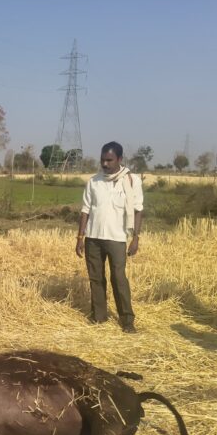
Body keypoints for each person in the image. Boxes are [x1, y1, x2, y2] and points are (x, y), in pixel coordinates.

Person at [76, 141, 144, 333]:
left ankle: (127, 321)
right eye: (102, 160)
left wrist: (136, 238)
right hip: (94, 237)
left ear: (119, 160)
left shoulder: (132, 181)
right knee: (95, 278)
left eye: (109, 160)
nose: (105, 164)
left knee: (119, 278)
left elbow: (138, 210)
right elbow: (85, 210)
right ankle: (99, 317)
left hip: (117, 238)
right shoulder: (94, 181)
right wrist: (80, 237)